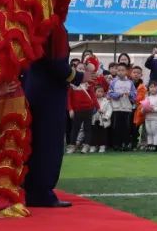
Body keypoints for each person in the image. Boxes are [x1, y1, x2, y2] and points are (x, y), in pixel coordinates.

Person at [22, 26, 91, 208]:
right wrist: (80, 76)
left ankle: (30, 189)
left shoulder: (35, 25)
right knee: (48, 144)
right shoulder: (54, 28)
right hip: (49, 94)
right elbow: (57, 64)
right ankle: (41, 192)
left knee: (35, 142)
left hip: (33, 89)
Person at [106, 63, 136, 152]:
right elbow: (110, 93)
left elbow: (134, 94)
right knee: (116, 127)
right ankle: (116, 144)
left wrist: (129, 94)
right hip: (116, 108)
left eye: (123, 70)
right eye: (118, 70)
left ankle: (125, 144)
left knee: (126, 127)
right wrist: (118, 95)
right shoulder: (113, 82)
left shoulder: (130, 82)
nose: (120, 72)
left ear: (126, 71)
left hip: (127, 108)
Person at [67, 75, 97, 154]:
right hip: (77, 110)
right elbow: (68, 98)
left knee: (87, 128)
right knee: (75, 129)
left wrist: (97, 107)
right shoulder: (72, 85)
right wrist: (70, 109)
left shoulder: (88, 85)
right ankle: (72, 146)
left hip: (88, 109)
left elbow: (93, 96)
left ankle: (86, 146)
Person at [141, 81, 157, 151]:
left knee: (155, 132)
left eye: (154, 87)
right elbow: (142, 108)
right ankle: (150, 145)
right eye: (151, 87)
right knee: (149, 132)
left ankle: (155, 146)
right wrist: (144, 110)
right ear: (148, 88)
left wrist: (154, 109)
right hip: (147, 118)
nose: (152, 89)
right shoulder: (147, 98)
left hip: (156, 118)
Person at [89, 85, 112, 152]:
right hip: (93, 120)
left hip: (103, 120)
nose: (100, 93)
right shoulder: (91, 100)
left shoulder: (106, 101)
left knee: (102, 134)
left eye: (102, 92)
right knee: (93, 134)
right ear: (94, 92)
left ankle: (102, 146)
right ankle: (93, 146)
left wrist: (106, 117)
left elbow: (109, 110)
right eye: (98, 91)